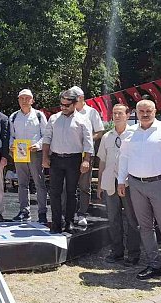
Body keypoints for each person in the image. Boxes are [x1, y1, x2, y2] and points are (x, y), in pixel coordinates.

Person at [117, 99, 161, 290]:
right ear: (136, 113)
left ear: (155, 111)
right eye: (141, 111)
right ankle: (153, 264)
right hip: (136, 184)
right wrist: (121, 180)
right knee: (144, 226)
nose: (145, 114)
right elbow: (124, 157)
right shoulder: (130, 133)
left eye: (148, 110)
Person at [42, 90, 93, 234]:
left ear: (75, 104)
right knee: (54, 192)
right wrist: (45, 157)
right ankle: (56, 222)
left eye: (67, 105)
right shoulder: (53, 118)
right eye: (61, 104)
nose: (63, 107)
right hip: (56, 159)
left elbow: (88, 143)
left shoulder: (83, 120)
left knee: (71, 192)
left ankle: (69, 221)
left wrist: (86, 160)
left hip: (74, 159)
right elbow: (47, 139)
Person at [96, 104, 141, 266]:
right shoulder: (107, 136)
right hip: (110, 182)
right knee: (113, 218)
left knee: (132, 219)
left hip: (129, 183)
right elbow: (102, 161)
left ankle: (134, 253)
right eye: (114, 113)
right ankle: (117, 252)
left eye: (120, 113)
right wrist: (100, 184)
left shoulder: (135, 134)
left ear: (128, 115)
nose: (116, 116)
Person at [68, 86, 105, 227]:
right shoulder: (67, 112)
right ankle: (68, 214)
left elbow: (100, 131)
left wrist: (88, 140)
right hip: (69, 154)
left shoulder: (91, 112)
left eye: (73, 99)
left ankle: (82, 213)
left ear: (81, 98)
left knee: (84, 185)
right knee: (68, 186)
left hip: (86, 154)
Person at [9, 89, 48, 223]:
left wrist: (37, 145)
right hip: (19, 153)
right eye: (22, 98)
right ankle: (24, 211)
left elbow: (46, 135)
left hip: (35, 153)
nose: (24, 101)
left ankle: (42, 212)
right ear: (18, 100)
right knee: (22, 183)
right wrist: (11, 145)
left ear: (32, 100)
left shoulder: (39, 115)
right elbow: (11, 136)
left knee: (39, 183)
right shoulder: (13, 117)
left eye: (27, 98)